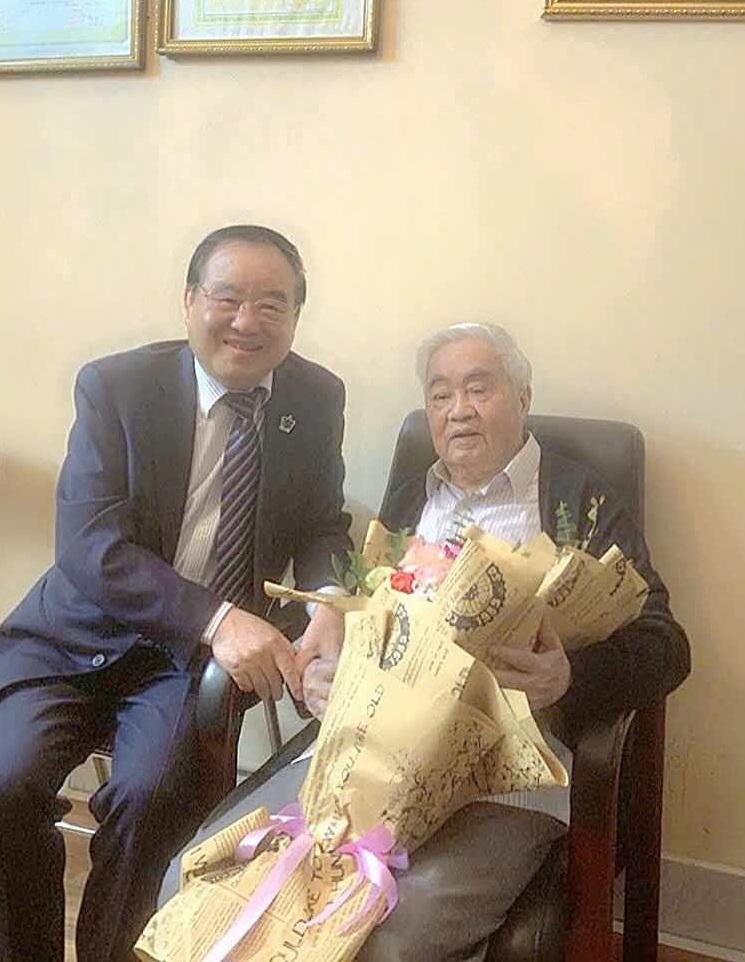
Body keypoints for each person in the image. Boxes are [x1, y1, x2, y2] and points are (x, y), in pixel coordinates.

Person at [160, 321, 690, 962]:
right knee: (193, 878)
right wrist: (323, 673)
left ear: (523, 398)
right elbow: (362, 624)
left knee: (386, 939)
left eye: (479, 389)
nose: (458, 409)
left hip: (499, 780)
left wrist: (569, 676)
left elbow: (666, 644)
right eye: (440, 395)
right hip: (363, 763)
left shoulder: (581, 501)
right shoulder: (411, 500)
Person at [0, 225, 351, 962]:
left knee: (150, 799)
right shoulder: (117, 387)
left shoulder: (316, 397)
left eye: (271, 304)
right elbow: (89, 544)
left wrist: (328, 603)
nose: (246, 321)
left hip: (184, 666)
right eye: (227, 297)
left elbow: (322, 524)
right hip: (76, 637)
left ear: (295, 317)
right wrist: (218, 618)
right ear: (189, 302)